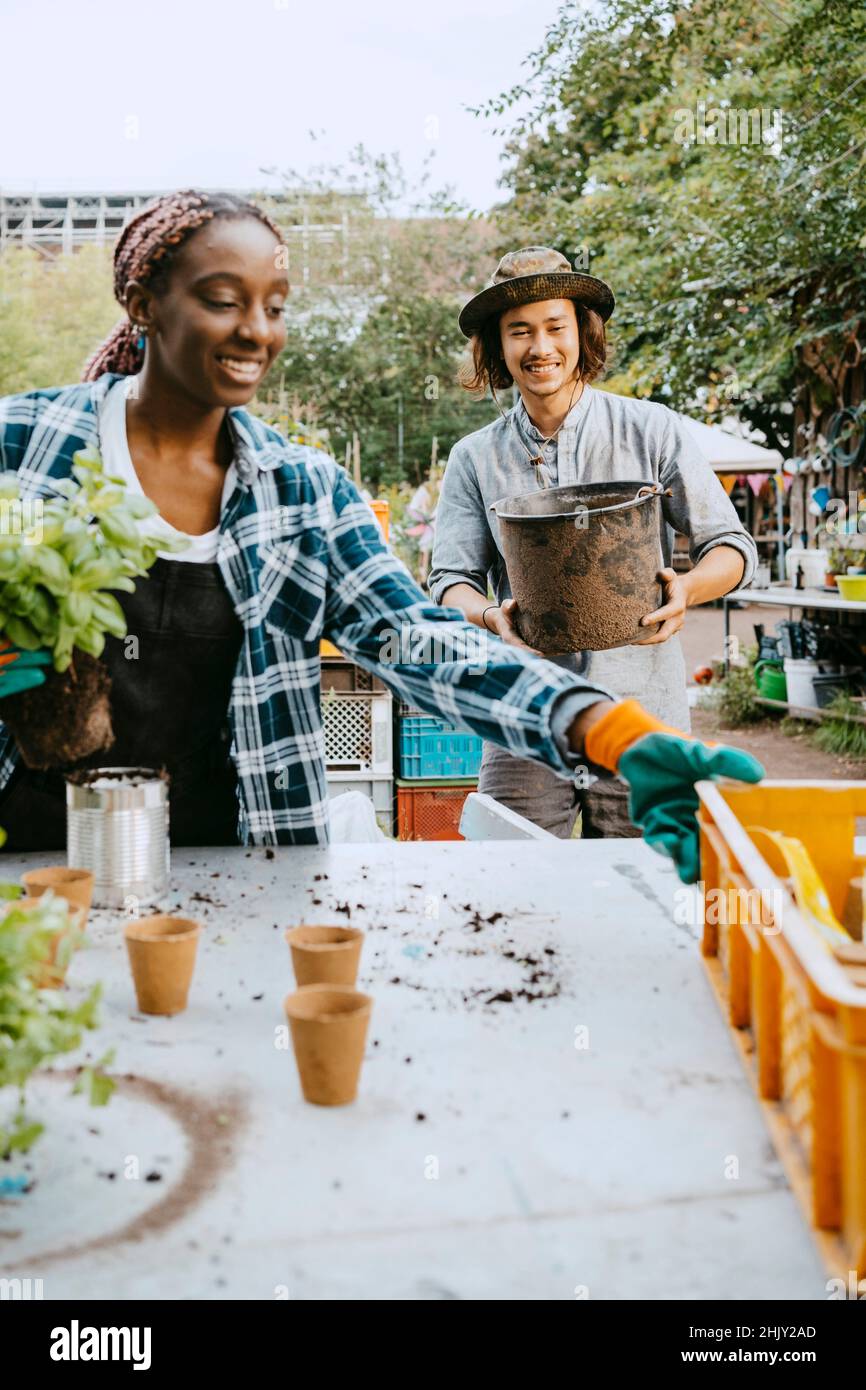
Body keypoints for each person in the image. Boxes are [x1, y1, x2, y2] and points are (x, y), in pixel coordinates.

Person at [0, 194, 761, 877]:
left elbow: (421, 640)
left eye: (276, 305)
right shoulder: (26, 447)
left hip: (243, 863)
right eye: (225, 300)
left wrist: (611, 730)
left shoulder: (300, 494)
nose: (256, 331)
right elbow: (458, 586)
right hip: (32, 851)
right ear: (144, 303)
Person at [428, 246, 758, 838]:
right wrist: (488, 616)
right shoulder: (474, 457)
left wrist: (686, 588)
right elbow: (449, 579)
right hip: (524, 713)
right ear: (498, 348)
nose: (540, 347)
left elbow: (731, 545)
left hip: (641, 711)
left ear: (582, 331)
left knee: (648, 894)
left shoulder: (651, 429)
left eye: (556, 326)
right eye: (519, 332)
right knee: (515, 892)